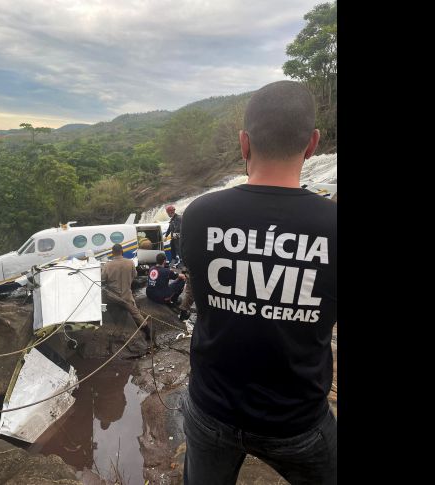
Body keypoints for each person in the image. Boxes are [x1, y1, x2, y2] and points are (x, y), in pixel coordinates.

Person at [180, 80, 337, 484]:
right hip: (297, 421)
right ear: (312, 144)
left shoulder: (199, 215)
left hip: (210, 410)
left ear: (244, 143)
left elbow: (203, 298)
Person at [101, 243, 146, 327]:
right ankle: (146, 330)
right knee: (136, 313)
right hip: (127, 296)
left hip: (112, 297)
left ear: (113, 253)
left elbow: (103, 279)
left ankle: (104, 320)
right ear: (122, 251)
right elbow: (135, 275)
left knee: (102, 295)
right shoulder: (130, 263)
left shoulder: (107, 265)